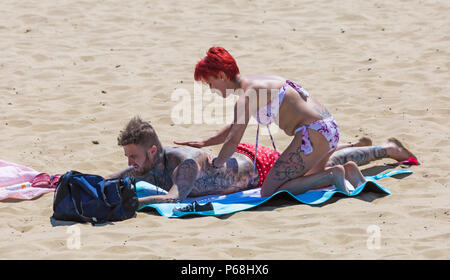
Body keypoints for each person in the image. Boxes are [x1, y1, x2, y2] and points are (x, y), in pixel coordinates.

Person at [107, 117, 417, 206]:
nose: (131, 163)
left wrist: (133, 200)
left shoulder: (184, 165)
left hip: (259, 167)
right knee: (319, 159)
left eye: (133, 156)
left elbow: (175, 198)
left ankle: (386, 149)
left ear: (152, 151)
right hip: (244, 158)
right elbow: (120, 176)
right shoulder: (150, 163)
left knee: (318, 164)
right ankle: (359, 146)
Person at [175, 47, 355, 196]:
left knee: (269, 191)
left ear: (221, 75)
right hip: (328, 128)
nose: (211, 89)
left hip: (313, 134)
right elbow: (235, 126)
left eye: (210, 83)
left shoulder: (246, 96)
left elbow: (233, 140)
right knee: (310, 179)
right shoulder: (257, 83)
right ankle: (348, 171)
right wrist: (206, 142)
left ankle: (333, 174)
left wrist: (215, 165)